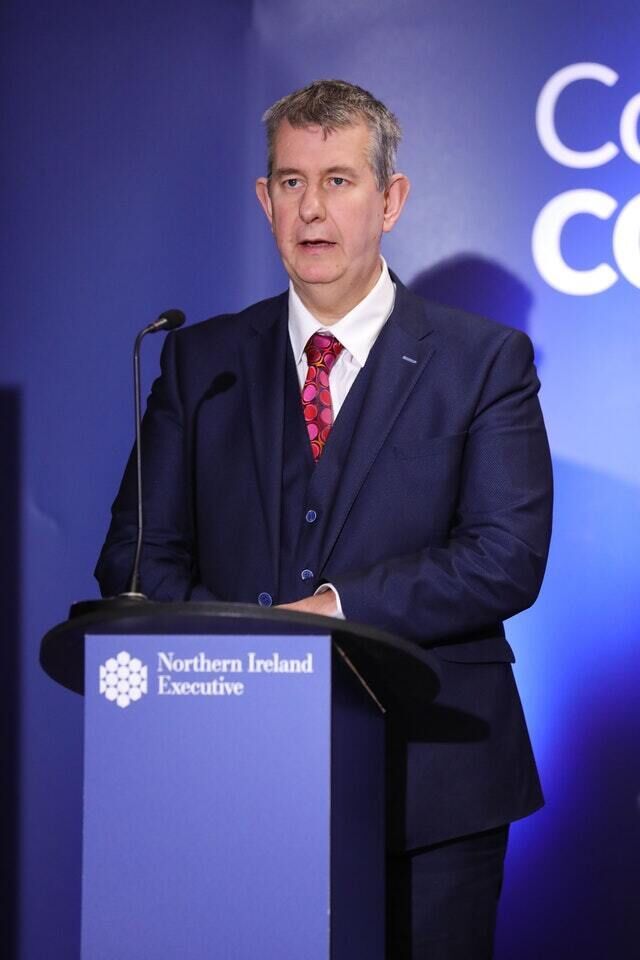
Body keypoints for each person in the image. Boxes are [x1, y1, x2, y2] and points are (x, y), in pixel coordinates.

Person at [95, 79, 553, 959]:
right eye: (292, 182)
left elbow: (503, 557)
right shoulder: (200, 361)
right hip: (234, 775)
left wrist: (327, 618)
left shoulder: (483, 361)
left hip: (432, 787)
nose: (313, 208)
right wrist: (235, 655)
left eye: (339, 181)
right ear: (265, 201)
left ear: (391, 199)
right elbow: (135, 554)